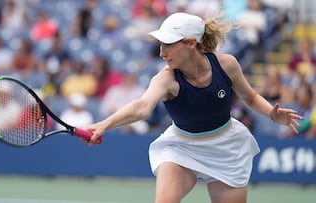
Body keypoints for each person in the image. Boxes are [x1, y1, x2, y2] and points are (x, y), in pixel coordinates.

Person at [83, 12, 303, 203]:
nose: (162, 52)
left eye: (169, 44)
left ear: (190, 43)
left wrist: (272, 115)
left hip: (226, 148)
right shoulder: (166, 79)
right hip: (181, 147)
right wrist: (104, 124)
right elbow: (142, 107)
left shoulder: (226, 64)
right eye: (161, 44)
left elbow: (251, 97)